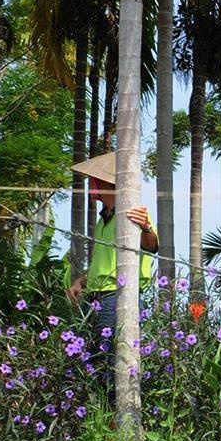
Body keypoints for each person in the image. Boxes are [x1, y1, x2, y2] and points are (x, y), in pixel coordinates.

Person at [67, 153, 158, 363]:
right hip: (96, 296)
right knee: (91, 357)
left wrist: (145, 226)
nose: (91, 186)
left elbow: (151, 246)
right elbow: (102, 260)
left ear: (106, 184)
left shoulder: (132, 213)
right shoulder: (102, 221)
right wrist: (81, 281)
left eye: (94, 181)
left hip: (117, 295)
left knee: (108, 357)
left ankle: (109, 396)